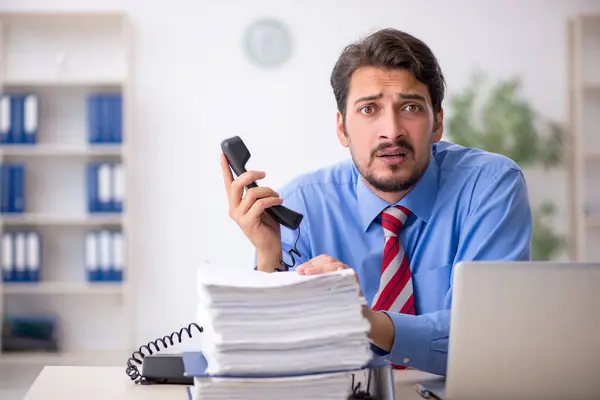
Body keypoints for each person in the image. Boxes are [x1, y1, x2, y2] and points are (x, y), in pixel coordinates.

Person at [221, 28, 532, 377]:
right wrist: (268, 259)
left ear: (437, 123)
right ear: (342, 129)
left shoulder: (488, 186)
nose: (392, 130)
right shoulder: (302, 205)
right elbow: (272, 357)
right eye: (369, 109)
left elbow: (489, 340)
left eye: (410, 107)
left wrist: (363, 319)